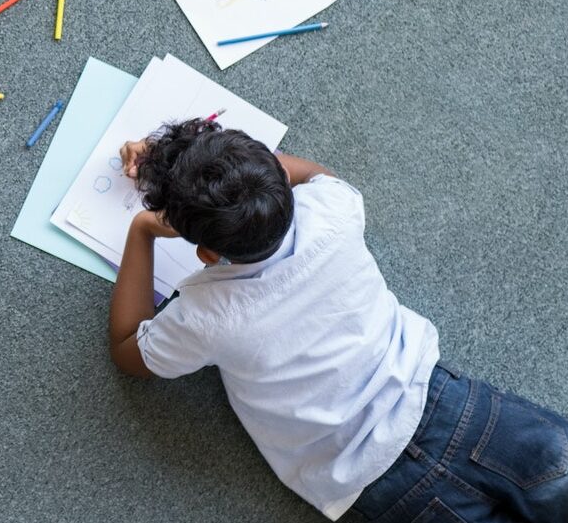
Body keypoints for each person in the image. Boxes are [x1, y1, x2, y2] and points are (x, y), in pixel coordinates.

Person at [108, 117, 568, 521]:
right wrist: (220, 167)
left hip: (373, 480)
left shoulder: (206, 315)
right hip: (453, 404)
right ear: (281, 184)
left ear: (206, 253)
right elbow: (315, 175)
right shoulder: (334, 211)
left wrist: (143, 229)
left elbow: (131, 351)